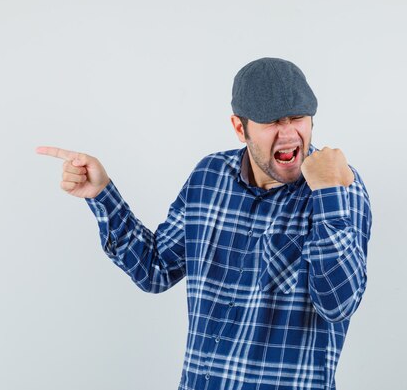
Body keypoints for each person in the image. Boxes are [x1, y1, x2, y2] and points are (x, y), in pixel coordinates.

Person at [36, 57, 373, 390]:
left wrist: (328, 192)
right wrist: (101, 193)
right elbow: (155, 270)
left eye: (297, 118)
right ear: (240, 128)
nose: (288, 134)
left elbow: (339, 304)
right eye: (272, 121)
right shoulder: (209, 177)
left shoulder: (340, 186)